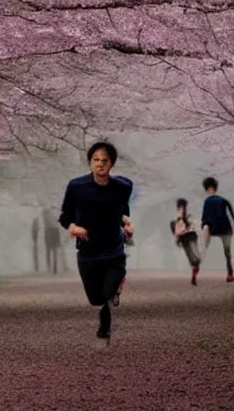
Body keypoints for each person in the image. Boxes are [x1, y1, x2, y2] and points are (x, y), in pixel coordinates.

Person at [58, 141, 134, 341]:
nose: (100, 164)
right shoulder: (76, 187)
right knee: (95, 298)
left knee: (108, 291)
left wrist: (127, 223)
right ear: (90, 162)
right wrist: (73, 227)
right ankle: (107, 302)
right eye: (96, 160)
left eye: (105, 160)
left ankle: (105, 324)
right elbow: (65, 216)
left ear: (112, 164)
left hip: (113, 249)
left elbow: (122, 211)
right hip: (87, 250)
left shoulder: (123, 186)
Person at [200, 177, 234, 282]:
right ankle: (230, 274)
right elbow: (231, 215)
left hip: (212, 228)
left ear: (206, 189)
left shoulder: (207, 202)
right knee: (227, 252)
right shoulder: (223, 200)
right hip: (225, 228)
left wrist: (205, 226)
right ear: (216, 188)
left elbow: (204, 218)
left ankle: (196, 267)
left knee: (204, 245)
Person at [170, 198, 201, 285]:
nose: (181, 209)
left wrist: (184, 221)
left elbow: (193, 226)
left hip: (192, 237)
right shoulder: (175, 220)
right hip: (184, 239)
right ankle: (193, 276)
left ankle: (194, 274)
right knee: (192, 259)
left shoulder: (189, 216)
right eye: (180, 207)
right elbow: (176, 232)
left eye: (182, 207)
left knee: (197, 258)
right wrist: (176, 240)